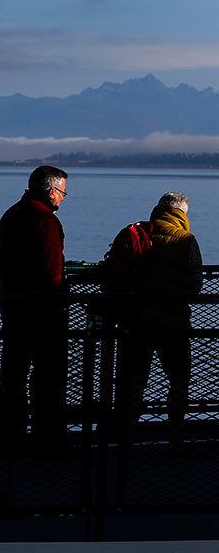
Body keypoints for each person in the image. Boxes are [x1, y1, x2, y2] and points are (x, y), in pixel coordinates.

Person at [115, 192, 202, 451]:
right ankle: (175, 438)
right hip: (173, 323)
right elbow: (196, 286)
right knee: (178, 379)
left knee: (134, 380)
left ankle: (126, 438)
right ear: (182, 214)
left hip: (137, 321)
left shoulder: (137, 233)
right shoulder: (186, 240)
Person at [0, 164, 68, 453]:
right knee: (48, 377)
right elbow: (52, 271)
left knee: (13, 372)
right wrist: (58, 302)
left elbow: (0, 263)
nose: (63, 198)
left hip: (13, 306)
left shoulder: (12, 214)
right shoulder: (45, 220)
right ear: (50, 191)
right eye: (62, 192)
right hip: (43, 312)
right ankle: (48, 438)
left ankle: (11, 433)